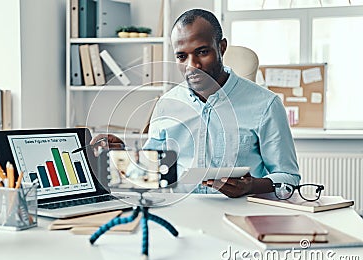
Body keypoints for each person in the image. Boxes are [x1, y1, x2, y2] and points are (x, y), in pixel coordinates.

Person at [91, 8, 300, 198]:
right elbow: (151, 172)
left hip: (241, 213)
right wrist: (121, 154)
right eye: (182, 56)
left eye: (202, 52)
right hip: (181, 213)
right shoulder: (167, 104)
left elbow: (289, 177)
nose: (193, 66)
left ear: (221, 47)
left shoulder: (266, 104)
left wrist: (251, 185)